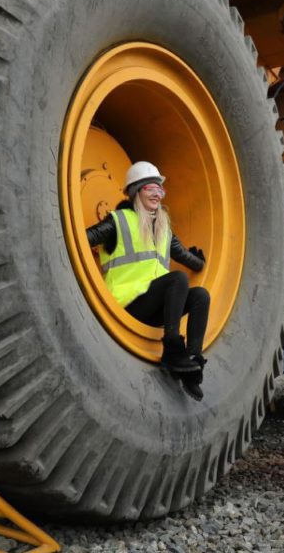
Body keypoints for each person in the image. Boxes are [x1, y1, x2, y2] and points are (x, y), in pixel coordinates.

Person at [86, 161, 210, 401]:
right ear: (135, 192)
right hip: (129, 304)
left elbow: (185, 256)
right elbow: (82, 238)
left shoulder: (163, 229)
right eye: (150, 188)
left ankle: (193, 365)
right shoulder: (118, 221)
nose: (157, 194)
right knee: (178, 279)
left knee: (201, 296)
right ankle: (173, 347)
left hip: (157, 308)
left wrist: (199, 261)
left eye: (159, 190)